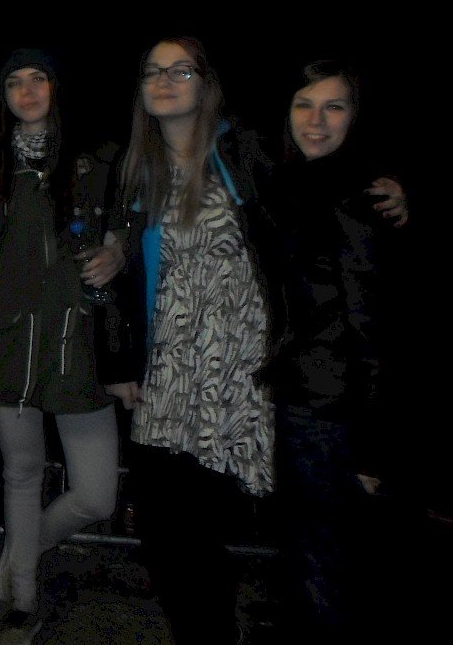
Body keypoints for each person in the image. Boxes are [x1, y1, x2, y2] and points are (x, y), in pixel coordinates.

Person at [113, 37, 408, 645]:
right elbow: (123, 274)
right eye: (154, 71)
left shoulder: (244, 152)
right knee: (172, 539)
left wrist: (399, 190)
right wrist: (119, 358)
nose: (166, 80)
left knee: (296, 557)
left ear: (207, 84)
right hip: (170, 378)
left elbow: (332, 178)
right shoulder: (133, 170)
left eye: (182, 70)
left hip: (246, 380)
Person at [0, 48, 131, 645]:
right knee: (22, 474)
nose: (27, 91)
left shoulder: (98, 160)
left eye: (38, 79)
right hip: (8, 351)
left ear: (57, 87)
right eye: (14, 82)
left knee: (97, 496)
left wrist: (119, 248)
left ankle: (21, 549)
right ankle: (23, 602)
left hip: (78, 350)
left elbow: (136, 213)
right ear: (2, 95)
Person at [262, 59, 399, 639]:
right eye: (304, 104)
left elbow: (372, 324)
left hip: (332, 409)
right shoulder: (302, 183)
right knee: (310, 562)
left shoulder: (351, 194)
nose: (316, 121)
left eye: (334, 106)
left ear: (356, 117)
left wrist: (371, 446)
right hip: (305, 396)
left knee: (325, 572)